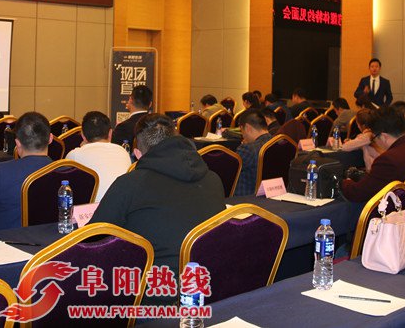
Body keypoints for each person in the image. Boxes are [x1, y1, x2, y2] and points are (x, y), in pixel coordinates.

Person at [90, 114, 225, 284]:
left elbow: (93, 238)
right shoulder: (213, 178)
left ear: (137, 154)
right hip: (211, 281)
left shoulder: (130, 185)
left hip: (154, 289)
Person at [341, 106, 405, 202]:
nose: (375, 141)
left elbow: (358, 193)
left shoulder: (388, 159)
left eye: (374, 138)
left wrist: (344, 182)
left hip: (403, 211)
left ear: (384, 137)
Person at [0, 112, 52, 231]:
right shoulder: (67, 171)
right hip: (53, 239)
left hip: (7, 238)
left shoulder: (1, 171)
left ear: (17, 143)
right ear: (50, 139)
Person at [66, 111, 131, 202]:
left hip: (90, 208)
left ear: (83, 135)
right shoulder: (123, 151)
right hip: (125, 207)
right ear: (110, 133)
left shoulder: (74, 155)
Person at [235, 109, 273, 196]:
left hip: (247, 198)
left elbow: (229, 169)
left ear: (247, 128)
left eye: (242, 131)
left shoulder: (248, 149)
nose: (243, 136)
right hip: (275, 195)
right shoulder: (280, 143)